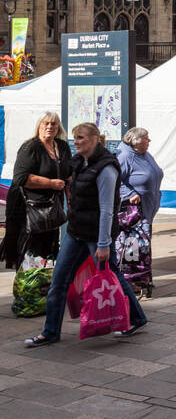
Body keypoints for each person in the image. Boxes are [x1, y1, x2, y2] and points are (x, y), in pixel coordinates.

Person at [24, 123, 147, 346]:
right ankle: (50, 331)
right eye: (75, 138)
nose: (76, 142)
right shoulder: (80, 163)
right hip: (76, 231)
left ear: (93, 140)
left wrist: (103, 244)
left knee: (112, 277)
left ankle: (136, 317)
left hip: (96, 235)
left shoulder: (106, 169)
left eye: (80, 138)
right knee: (58, 280)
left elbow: (107, 209)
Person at [1, 112, 72, 271]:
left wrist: (70, 199)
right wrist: (50, 183)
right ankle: (28, 288)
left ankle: (43, 286)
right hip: (29, 209)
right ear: (39, 126)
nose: (49, 127)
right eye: (45, 123)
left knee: (48, 251)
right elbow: (21, 178)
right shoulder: (30, 147)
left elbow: (68, 174)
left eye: (53, 124)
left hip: (52, 209)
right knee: (30, 252)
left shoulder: (62, 146)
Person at [117, 127, 164, 224]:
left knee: (145, 236)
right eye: (146, 138)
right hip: (134, 212)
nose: (149, 140)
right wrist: (130, 194)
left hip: (149, 207)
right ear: (136, 141)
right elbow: (115, 180)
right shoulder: (124, 157)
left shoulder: (146, 154)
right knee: (136, 238)